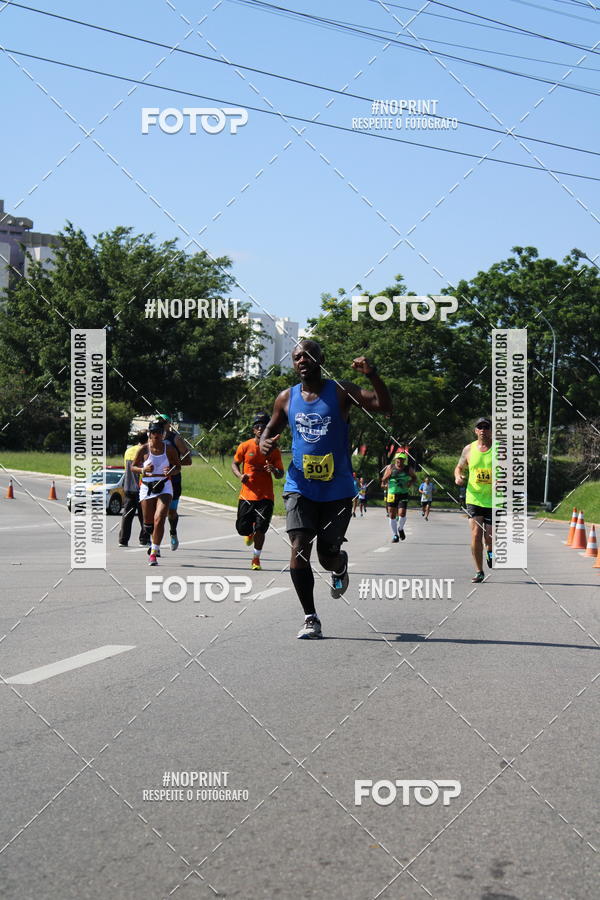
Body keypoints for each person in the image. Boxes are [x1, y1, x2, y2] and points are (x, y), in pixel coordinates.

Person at [260, 339, 392, 639]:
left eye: (308, 355)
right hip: (300, 486)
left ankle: (340, 565)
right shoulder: (286, 398)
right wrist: (264, 441)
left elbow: (384, 406)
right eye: (296, 357)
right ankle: (310, 617)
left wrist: (372, 374)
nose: (302, 360)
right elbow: (271, 428)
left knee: (326, 554)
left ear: (321, 359)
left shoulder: (341, 391)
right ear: (293, 364)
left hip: (338, 489)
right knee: (299, 548)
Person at [232, 412, 284, 570]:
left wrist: (274, 469)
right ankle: (249, 533)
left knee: (261, 529)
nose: (260, 428)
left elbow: (280, 474)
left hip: (266, 496)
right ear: (253, 430)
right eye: (257, 426)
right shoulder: (245, 446)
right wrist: (240, 475)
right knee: (242, 529)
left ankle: (256, 559)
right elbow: (234, 464)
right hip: (247, 495)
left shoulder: (274, 450)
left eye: (264, 426)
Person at [131, 421, 181, 566]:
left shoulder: (169, 449)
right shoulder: (143, 450)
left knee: (160, 517)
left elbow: (178, 467)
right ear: (150, 434)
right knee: (148, 524)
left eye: (159, 432)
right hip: (147, 486)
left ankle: (154, 552)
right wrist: (143, 470)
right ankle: (152, 540)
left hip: (164, 485)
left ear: (163, 434)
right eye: (154, 433)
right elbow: (133, 467)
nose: (157, 435)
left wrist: (171, 471)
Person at [454, 416, 494, 583]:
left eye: (486, 427)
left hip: (493, 500)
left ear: (491, 430)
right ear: (475, 430)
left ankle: (490, 552)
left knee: (489, 537)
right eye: (480, 427)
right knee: (476, 534)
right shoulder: (469, 449)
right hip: (474, 498)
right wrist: (458, 476)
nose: (483, 430)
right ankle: (479, 571)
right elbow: (459, 467)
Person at [157, 413, 192, 551]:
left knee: (171, 512)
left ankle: (173, 532)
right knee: (157, 513)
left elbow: (188, 460)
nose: (161, 425)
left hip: (173, 480)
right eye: (158, 422)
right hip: (156, 480)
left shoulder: (175, 439)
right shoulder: (153, 438)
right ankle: (155, 546)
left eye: (163, 422)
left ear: (169, 424)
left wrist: (174, 464)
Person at [118, 430, 148, 546]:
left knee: (127, 514)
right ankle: (144, 539)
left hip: (128, 486)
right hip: (141, 487)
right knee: (145, 515)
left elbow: (126, 468)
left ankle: (123, 540)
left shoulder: (128, 451)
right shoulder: (145, 452)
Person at [381, 452, 416, 542]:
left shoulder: (408, 468)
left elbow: (414, 478)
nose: (399, 460)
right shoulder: (390, 467)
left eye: (401, 459)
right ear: (395, 459)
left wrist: (410, 483)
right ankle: (395, 535)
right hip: (392, 494)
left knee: (402, 514)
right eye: (398, 459)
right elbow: (383, 479)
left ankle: (400, 528)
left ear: (404, 460)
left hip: (403, 493)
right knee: (392, 515)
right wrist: (387, 476)